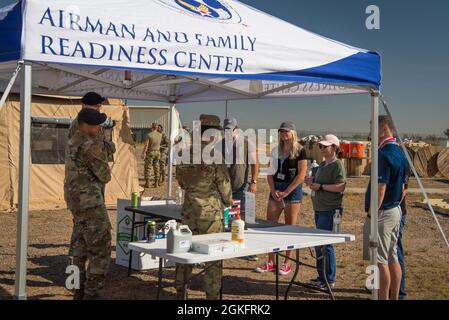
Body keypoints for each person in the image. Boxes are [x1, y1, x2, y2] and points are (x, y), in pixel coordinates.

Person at [175, 114, 233, 300]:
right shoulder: (214, 156)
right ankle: (212, 296)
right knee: (213, 258)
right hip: (210, 215)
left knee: (184, 252)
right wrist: (229, 202)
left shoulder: (183, 153)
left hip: (189, 210)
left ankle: (180, 291)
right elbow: (224, 186)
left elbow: (182, 183)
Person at [64, 108, 112, 300]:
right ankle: (93, 294)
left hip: (76, 203)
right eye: (97, 125)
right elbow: (105, 175)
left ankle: (77, 290)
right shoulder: (89, 144)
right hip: (91, 203)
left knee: (78, 249)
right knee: (100, 249)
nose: (100, 128)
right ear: (87, 125)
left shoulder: (72, 140)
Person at [364, 115, 409, 300]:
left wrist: (373, 214)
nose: (370, 132)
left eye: (373, 127)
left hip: (383, 213)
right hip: (395, 210)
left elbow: (380, 189)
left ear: (384, 129)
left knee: (381, 261)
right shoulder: (401, 152)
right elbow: (404, 189)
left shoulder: (384, 153)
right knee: (392, 258)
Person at [256, 122, 307, 275]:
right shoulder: (275, 150)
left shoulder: (300, 151)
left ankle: (287, 262)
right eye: (281, 131)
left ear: (293, 133)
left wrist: (286, 192)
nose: (283, 134)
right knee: (270, 226)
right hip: (276, 189)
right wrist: (273, 190)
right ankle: (271, 261)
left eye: (286, 131)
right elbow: (270, 172)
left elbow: (301, 175)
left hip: (292, 191)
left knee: (289, 228)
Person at [305, 134, 346, 288]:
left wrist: (320, 187)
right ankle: (322, 277)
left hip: (330, 209)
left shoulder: (337, 165)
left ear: (334, 148)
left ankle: (329, 279)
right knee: (319, 244)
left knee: (326, 244)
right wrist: (311, 182)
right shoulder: (322, 165)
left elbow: (341, 187)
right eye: (320, 146)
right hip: (320, 208)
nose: (321, 149)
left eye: (325, 146)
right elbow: (317, 182)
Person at [222, 118, 260, 261]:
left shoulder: (246, 144)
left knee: (240, 217)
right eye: (225, 129)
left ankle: (244, 249)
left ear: (236, 129)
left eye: (229, 129)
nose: (227, 132)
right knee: (226, 216)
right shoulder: (220, 145)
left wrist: (254, 181)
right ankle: (227, 245)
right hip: (223, 187)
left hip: (240, 186)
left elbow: (255, 163)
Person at [68, 92, 116, 157]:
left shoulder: (86, 122)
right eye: (96, 106)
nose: (98, 110)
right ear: (84, 105)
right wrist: (110, 144)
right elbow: (97, 153)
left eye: (99, 106)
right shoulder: (85, 124)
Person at [141, 122, 162, 188]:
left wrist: (143, 153)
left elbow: (146, 145)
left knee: (148, 168)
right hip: (158, 152)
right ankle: (156, 183)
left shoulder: (149, 135)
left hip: (150, 152)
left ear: (151, 127)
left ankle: (147, 183)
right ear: (157, 127)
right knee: (156, 167)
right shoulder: (160, 135)